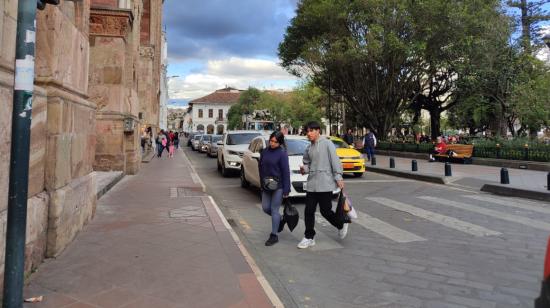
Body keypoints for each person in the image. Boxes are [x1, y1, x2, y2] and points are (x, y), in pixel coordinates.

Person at [298, 121, 348, 249]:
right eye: (307, 131)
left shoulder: (327, 143)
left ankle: (340, 223)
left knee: (326, 211)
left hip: (325, 183)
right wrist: (304, 169)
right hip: (312, 184)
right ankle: (309, 237)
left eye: (311, 131)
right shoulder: (308, 148)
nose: (308, 134)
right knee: (308, 210)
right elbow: (307, 163)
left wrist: (338, 177)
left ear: (318, 130)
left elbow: (335, 161)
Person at [259, 131, 290, 246]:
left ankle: (274, 235)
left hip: (279, 185)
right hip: (266, 185)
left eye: (275, 142)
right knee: (265, 208)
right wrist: (261, 183)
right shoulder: (265, 152)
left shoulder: (282, 154)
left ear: (280, 142)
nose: (272, 143)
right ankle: (280, 219)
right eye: (271, 141)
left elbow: (286, 172)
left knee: (274, 209)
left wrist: (286, 189)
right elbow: (260, 168)